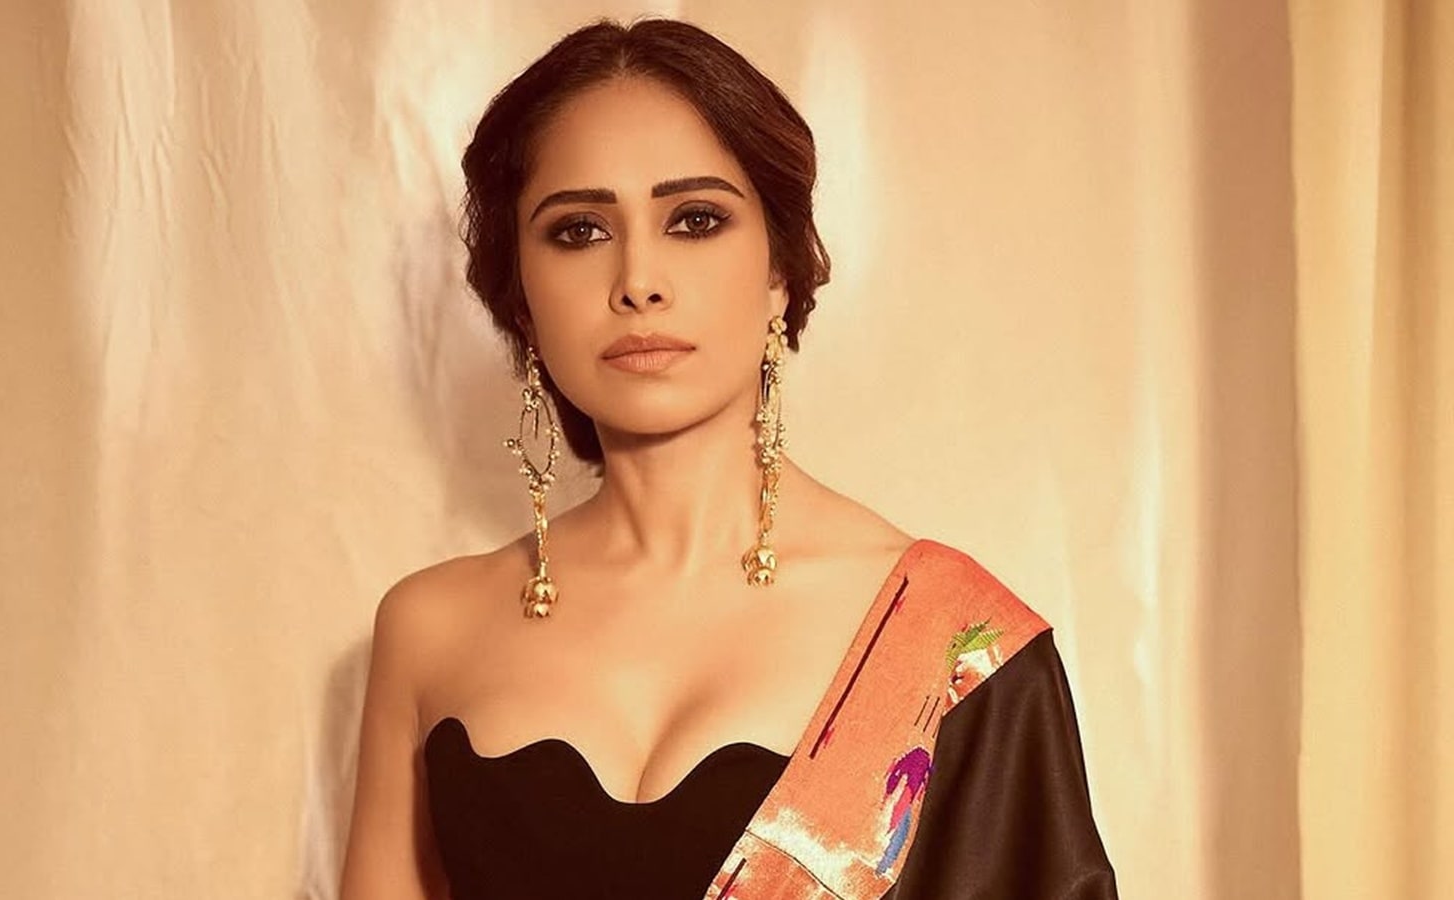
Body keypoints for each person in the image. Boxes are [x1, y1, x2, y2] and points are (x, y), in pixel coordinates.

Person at [339, 17, 1117, 900]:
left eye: (696, 220)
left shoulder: (950, 644)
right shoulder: (431, 630)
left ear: (782, 270)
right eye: (579, 230)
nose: (638, 281)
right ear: (520, 296)